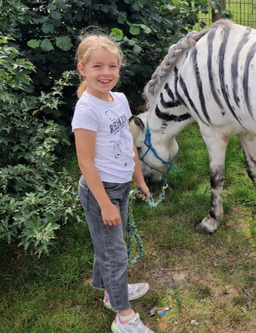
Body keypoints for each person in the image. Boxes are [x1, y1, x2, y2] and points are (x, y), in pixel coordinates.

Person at [72, 33, 154, 333]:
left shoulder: (118, 99)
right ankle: (124, 317)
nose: (105, 73)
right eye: (97, 67)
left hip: (121, 186)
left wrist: (139, 177)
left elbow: (126, 140)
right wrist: (104, 203)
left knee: (108, 246)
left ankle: (109, 291)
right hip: (100, 192)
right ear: (82, 69)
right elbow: (85, 162)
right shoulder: (87, 110)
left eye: (112, 67)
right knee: (114, 252)